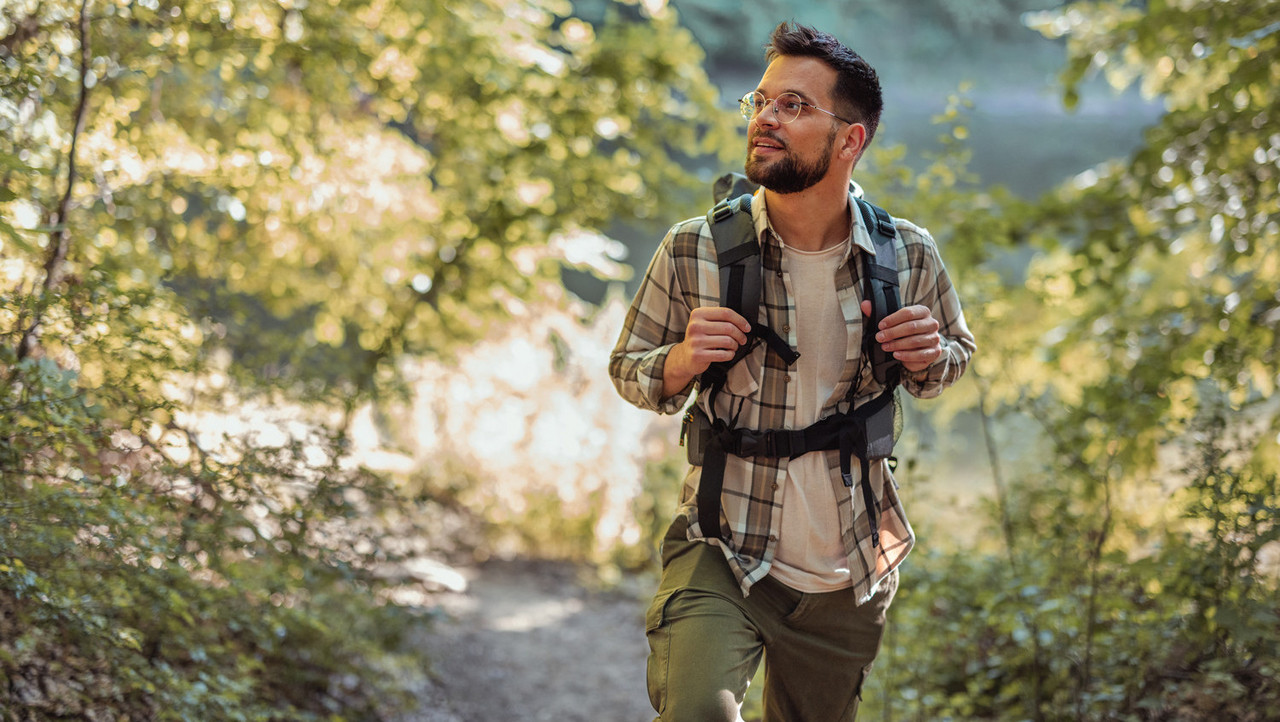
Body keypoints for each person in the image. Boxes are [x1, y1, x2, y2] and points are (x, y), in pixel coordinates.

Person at [609, 21, 976, 722]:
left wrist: (930, 355)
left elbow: (951, 359)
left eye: (795, 106)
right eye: (762, 101)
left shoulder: (908, 256)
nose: (766, 118)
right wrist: (684, 358)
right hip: (723, 544)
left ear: (850, 140)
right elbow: (629, 367)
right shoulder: (697, 249)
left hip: (851, 568)